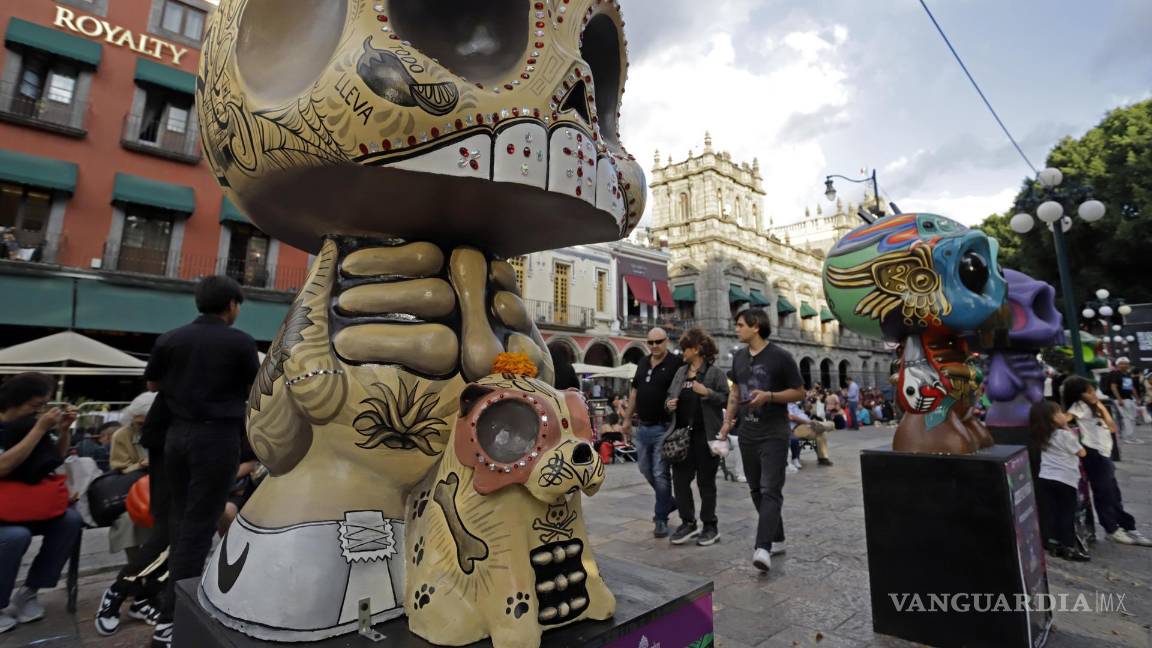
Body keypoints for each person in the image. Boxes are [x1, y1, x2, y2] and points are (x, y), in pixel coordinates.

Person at [145, 276, 260, 647]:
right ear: (231, 305)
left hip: (176, 437)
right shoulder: (240, 342)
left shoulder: (170, 338)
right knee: (199, 524)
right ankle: (174, 617)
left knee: (180, 519)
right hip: (216, 438)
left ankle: (169, 607)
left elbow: (152, 385)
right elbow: (254, 390)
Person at [722, 308, 805, 572]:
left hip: (774, 432)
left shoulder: (781, 357)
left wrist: (769, 396)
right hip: (747, 432)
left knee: (771, 489)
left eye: (740, 324)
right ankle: (777, 536)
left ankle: (763, 547)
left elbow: (799, 392)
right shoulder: (738, 357)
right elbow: (735, 392)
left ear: (756, 326)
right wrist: (727, 423)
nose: (736, 328)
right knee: (756, 490)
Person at [0, 373, 83, 635]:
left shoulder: (30, 424)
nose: (39, 412)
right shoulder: (25, 426)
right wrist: (39, 428)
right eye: (35, 405)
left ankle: (30, 591)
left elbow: (53, 459)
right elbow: (2, 467)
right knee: (15, 536)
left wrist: (64, 430)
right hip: (5, 511)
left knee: (70, 521)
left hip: (26, 503)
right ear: (14, 401)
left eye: (43, 406)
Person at [1062, 376, 1152, 547]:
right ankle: (1112, 529)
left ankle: (1126, 526)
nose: (1093, 394)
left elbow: (1112, 427)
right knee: (1105, 492)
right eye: (1089, 391)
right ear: (1079, 394)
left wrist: (1100, 407)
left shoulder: (1094, 406)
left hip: (1104, 452)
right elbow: (1064, 419)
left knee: (1113, 492)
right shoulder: (1079, 406)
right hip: (1093, 453)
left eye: (1093, 390)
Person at [663, 328, 728, 546]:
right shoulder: (681, 373)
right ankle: (688, 523)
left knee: (705, 483)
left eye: (685, 348)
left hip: (706, 436)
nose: (682, 352)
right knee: (680, 481)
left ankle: (710, 526)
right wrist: (669, 404)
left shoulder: (715, 373)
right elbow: (669, 397)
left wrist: (707, 393)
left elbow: (727, 400)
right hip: (682, 437)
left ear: (697, 349)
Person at [622, 327, 683, 538]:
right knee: (644, 469)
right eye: (651, 342)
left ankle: (661, 518)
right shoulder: (643, 362)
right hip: (642, 427)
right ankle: (668, 501)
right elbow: (634, 392)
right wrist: (627, 419)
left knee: (660, 473)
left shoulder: (676, 363)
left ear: (667, 341)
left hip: (663, 427)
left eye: (659, 341)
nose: (654, 346)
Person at [1028, 400, 1089, 561]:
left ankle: (1054, 545)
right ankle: (1068, 547)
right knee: (1066, 513)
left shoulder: (1041, 436)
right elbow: (1082, 453)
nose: (1063, 414)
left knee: (1052, 512)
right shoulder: (1065, 435)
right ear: (1052, 418)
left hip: (1045, 478)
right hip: (1065, 480)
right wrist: (1067, 428)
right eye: (1059, 412)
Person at [107, 393, 156, 569]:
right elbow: (120, 466)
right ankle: (136, 568)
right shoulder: (122, 435)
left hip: (165, 489)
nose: (140, 427)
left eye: (144, 423)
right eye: (137, 423)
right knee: (128, 521)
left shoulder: (169, 430)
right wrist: (141, 465)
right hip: (135, 492)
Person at [1103, 358, 1143, 445]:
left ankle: (1132, 437)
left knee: (1132, 418)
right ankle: (1128, 437)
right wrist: (1119, 399)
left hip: (1129, 399)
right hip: (1121, 399)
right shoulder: (1115, 374)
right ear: (1117, 365)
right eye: (1121, 363)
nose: (1124, 365)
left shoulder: (1126, 374)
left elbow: (1130, 387)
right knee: (1127, 418)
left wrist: (1137, 398)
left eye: (1126, 363)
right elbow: (1113, 387)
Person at [788, 401, 834, 467]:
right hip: (797, 428)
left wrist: (809, 421)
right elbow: (791, 417)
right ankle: (822, 425)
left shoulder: (796, 406)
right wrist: (807, 422)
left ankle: (823, 458)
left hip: (807, 426)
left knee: (821, 433)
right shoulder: (788, 405)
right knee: (821, 430)